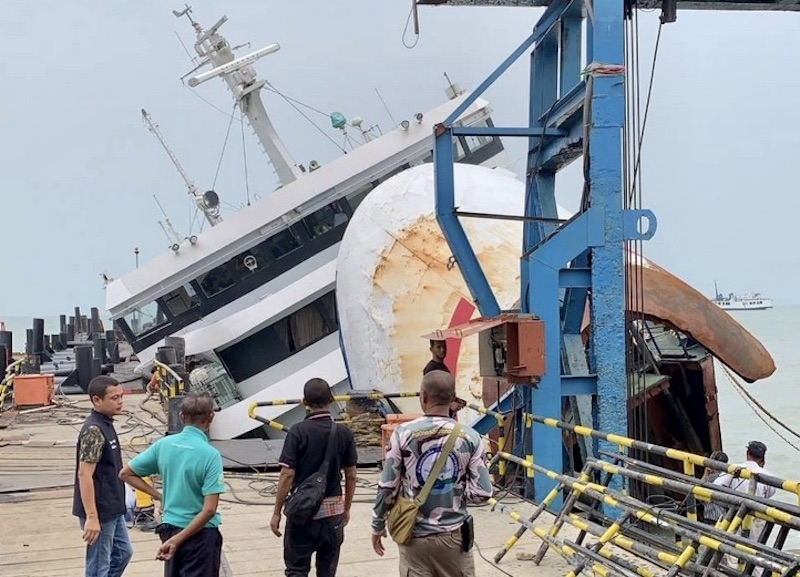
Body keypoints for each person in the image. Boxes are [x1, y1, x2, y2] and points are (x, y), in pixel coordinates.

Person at [371, 370, 493, 576]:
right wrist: (455, 495)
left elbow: (388, 486)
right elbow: (483, 493)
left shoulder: (403, 434)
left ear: (424, 397)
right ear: (453, 399)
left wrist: (377, 525)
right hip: (454, 538)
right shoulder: (471, 437)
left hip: (414, 537)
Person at [119, 393, 225, 577]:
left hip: (170, 528)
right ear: (211, 417)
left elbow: (126, 473)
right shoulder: (210, 455)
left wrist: (161, 496)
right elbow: (209, 510)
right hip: (200, 536)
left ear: (181, 416)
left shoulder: (164, 445)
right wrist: (179, 539)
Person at [271, 378, 358, 577]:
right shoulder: (344, 433)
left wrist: (277, 512)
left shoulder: (297, 432)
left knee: (297, 571)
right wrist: (346, 509)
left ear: (304, 402)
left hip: (302, 514)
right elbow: (351, 475)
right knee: (327, 572)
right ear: (331, 399)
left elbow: (287, 474)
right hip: (332, 515)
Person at [72, 375, 133, 577]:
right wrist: (91, 517)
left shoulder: (107, 424)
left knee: (123, 553)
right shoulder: (94, 431)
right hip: (100, 511)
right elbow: (84, 474)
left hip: (114, 508)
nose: (120, 402)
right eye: (114, 398)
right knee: (99, 566)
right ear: (97, 400)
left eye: (121, 396)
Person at [708, 441, 775, 529]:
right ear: (763, 458)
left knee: (733, 540)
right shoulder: (768, 475)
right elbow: (770, 493)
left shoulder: (735, 468)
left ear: (747, 454)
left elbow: (717, 486)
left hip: (735, 515)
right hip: (757, 518)